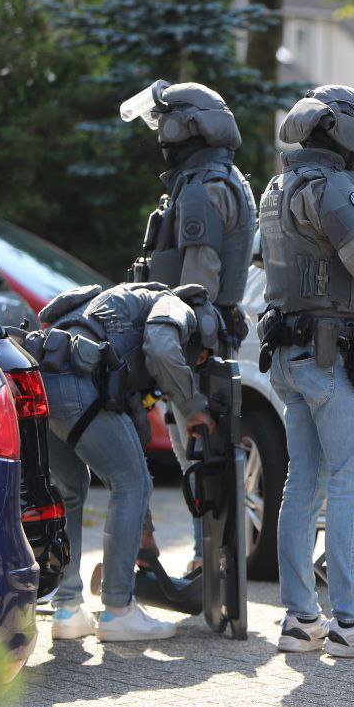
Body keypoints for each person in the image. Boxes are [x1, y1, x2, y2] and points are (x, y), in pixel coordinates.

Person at [258, 84, 354, 658]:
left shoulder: (279, 185)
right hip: (331, 357)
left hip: (292, 354)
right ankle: (352, 621)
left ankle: (301, 620)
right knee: (352, 483)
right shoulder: (331, 186)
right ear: (344, 132)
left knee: (303, 484)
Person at [31, 282, 223, 642]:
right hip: (78, 380)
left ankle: (68, 610)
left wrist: (142, 530)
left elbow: (131, 427)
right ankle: (118, 611)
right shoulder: (175, 307)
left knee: (71, 491)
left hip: (43, 380)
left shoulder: (125, 309)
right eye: (199, 357)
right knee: (131, 485)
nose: (194, 363)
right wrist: (193, 406)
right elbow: (162, 349)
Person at [120, 80, 258, 571]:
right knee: (199, 459)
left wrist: (181, 351)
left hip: (194, 345)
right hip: (196, 340)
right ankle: (207, 564)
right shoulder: (216, 180)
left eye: (165, 122)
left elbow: (197, 289)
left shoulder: (203, 190)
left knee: (201, 459)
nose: (161, 133)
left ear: (187, 127)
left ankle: (210, 568)